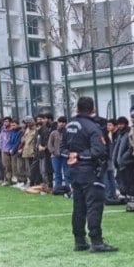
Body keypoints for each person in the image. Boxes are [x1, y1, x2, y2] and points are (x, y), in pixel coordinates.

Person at [62, 97, 117, 252]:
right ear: (93, 110)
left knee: (78, 206)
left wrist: (72, 155)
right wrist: (80, 156)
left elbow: (62, 148)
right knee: (94, 206)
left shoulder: (69, 125)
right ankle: (96, 241)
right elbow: (99, 150)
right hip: (90, 171)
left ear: (77, 109)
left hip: (74, 171)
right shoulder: (93, 127)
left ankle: (79, 240)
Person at [49, 116, 69, 194]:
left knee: (67, 172)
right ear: (57, 123)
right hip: (55, 156)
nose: (61, 124)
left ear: (66, 123)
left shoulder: (68, 132)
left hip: (65, 156)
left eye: (63, 122)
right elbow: (50, 144)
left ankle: (68, 188)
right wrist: (54, 152)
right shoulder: (54, 133)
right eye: (60, 122)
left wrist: (67, 152)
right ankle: (58, 188)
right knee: (57, 173)